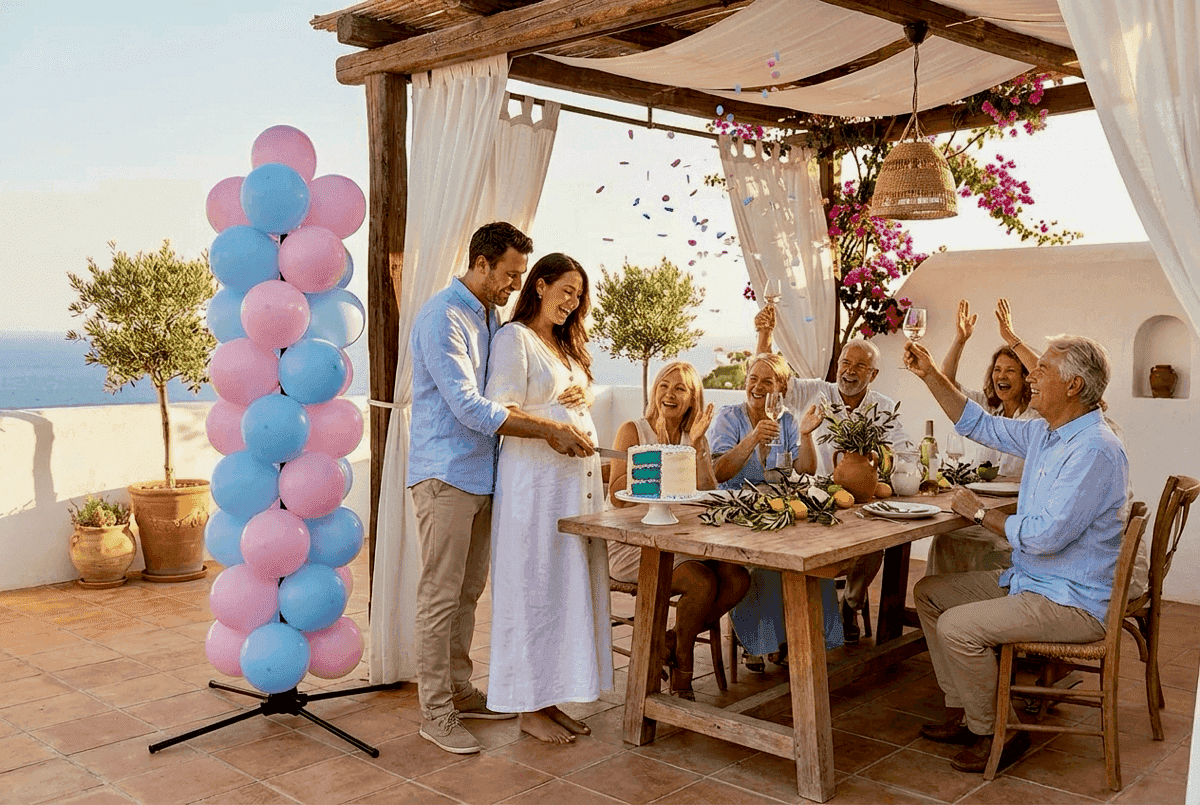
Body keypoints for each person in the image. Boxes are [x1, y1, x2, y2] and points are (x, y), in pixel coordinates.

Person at [903, 334, 1129, 774]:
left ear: (1074, 386)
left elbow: (1044, 537)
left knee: (958, 625)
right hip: (1034, 581)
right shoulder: (1049, 433)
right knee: (930, 593)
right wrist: (930, 374)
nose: (1032, 375)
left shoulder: (1095, 449)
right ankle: (970, 713)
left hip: (1070, 601)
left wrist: (980, 513)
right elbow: (978, 423)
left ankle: (1001, 732)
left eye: (1042, 368)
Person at [408, 223, 594, 755]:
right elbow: (469, 406)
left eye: (520, 275)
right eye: (510, 274)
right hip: (445, 474)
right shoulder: (442, 316)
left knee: (467, 593)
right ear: (482, 262)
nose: (515, 285)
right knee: (440, 595)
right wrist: (550, 428)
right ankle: (436, 712)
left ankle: (461, 689)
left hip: (487, 477)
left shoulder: (488, 316)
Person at [484, 253, 612, 744]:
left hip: (572, 489)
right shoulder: (514, 340)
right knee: (535, 587)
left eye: (579, 296)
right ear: (539, 285)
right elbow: (504, 409)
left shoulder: (562, 345)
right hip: (535, 489)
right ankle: (528, 708)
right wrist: (554, 428)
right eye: (566, 291)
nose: (573, 302)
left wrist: (585, 398)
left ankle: (552, 697)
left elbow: (575, 392)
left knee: (566, 590)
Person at [754, 307, 910, 643]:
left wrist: (878, 468)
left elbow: (901, 452)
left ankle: (849, 604)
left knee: (876, 546)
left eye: (860, 366)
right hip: (814, 498)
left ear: (874, 373)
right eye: (845, 364)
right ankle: (797, 629)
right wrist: (765, 335)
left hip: (861, 502)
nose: (850, 372)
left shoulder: (882, 407)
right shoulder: (814, 391)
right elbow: (768, 379)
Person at [608, 362, 750, 701]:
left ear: (692, 399)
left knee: (737, 578)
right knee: (701, 582)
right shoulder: (633, 430)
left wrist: (699, 448)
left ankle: (670, 642)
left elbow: (706, 492)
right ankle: (683, 665)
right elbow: (616, 497)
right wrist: (658, 449)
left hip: (681, 541)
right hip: (633, 543)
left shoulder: (692, 436)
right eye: (663, 386)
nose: (669, 394)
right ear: (654, 391)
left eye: (679, 389)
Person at [708, 352, 842, 672]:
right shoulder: (729, 417)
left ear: (781, 388)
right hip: (736, 513)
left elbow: (804, 469)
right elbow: (718, 472)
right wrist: (753, 438)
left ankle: (797, 638)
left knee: (812, 559)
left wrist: (806, 435)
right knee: (767, 565)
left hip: (776, 511)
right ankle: (759, 642)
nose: (758, 386)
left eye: (768, 381)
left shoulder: (787, 422)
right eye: (753, 379)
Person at [927, 299, 1039, 575]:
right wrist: (960, 340)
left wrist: (1012, 338)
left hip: (1016, 516)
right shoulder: (987, 406)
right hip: (986, 505)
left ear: (1026, 378)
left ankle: (972, 603)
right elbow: (946, 383)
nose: (1001, 375)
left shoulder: (1037, 416)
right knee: (946, 538)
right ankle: (949, 604)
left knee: (965, 542)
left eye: (1011, 370)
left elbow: (1044, 375)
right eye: (997, 370)